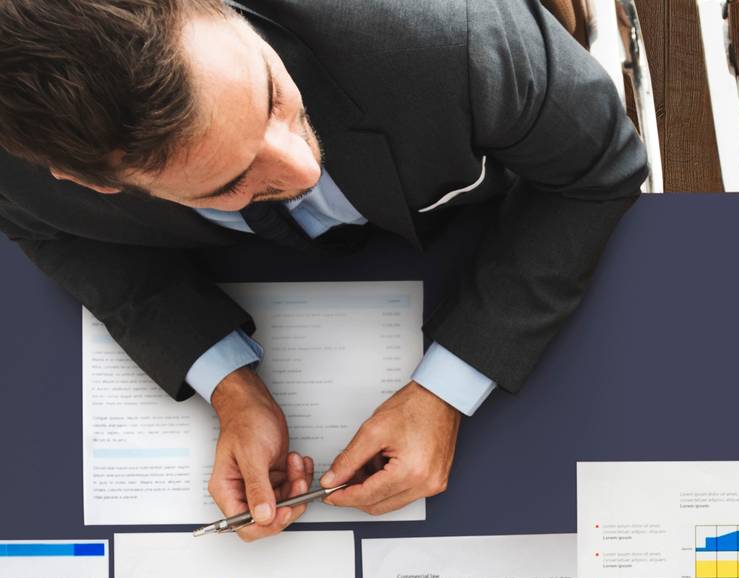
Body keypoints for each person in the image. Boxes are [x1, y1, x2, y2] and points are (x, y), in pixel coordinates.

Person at [0, 0, 645, 539]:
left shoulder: (447, 35)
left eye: (271, 97)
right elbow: (57, 234)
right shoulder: (21, 181)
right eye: (229, 183)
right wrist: (229, 386)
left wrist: (449, 388)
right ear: (89, 183)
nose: (304, 168)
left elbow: (597, 165)